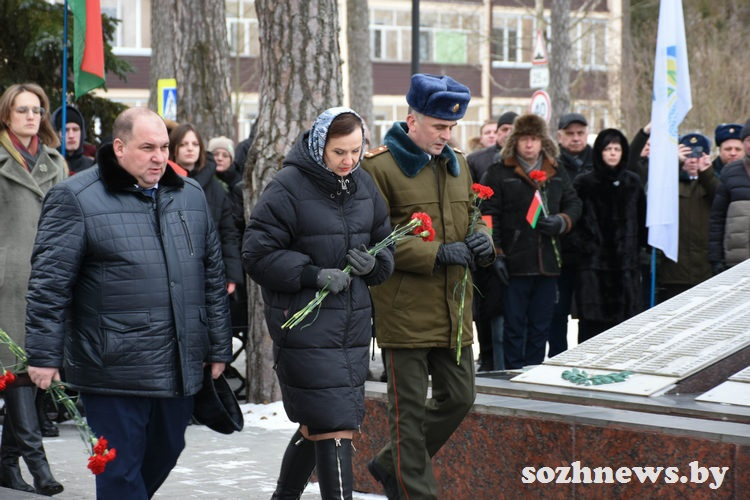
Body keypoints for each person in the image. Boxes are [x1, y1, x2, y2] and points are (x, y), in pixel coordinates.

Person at [24, 107, 233, 499]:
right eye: (147, 147)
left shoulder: (190, 195)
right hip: (112, 364)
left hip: (178, 361)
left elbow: (210, 276)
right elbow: (49, 284)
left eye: (164, 147)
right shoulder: (75, 197)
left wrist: (218, 346)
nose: (159, 157)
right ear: (119, 147)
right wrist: (43, 354)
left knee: (168, 449)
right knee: (120, 470)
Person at [242, 107, 394, 499]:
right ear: (318, 145)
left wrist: (375, 264)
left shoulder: (365, 185)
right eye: (339, 152)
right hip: (305, 327)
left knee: (317, 425)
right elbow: (256, 255)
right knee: (334, 425)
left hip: (352, 329)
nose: (349, 161)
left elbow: (386, 245)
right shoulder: (288, 186)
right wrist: (313, 274)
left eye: (356, 151)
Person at [362, 73, 494, 499]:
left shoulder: (459, 164)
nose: (446, 135)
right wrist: (434, 253)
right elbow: (372, 241)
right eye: (439, 126)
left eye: (451, 127)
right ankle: (415, 490)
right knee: (409, 415)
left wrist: (484, 242)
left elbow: (476, 217)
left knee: (460, 397)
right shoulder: (378, 168)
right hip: (404, 310)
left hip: (454, 308)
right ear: (411, 118)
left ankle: (390, 463)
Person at [0, 83, 66, 496]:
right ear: (6, 116)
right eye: (22, 110)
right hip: (6, 285)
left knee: (35, 372)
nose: (30, 117)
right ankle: (39, 465)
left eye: (37, 110)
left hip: (49, 281)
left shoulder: (56, 163)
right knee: (17, 372)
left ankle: (7, 463)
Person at [482, 113, 581, 369]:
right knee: (513, 326)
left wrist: (561, 221)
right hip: (514, 263)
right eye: (524, 139)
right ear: (514, 141)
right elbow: (488, 215)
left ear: (542, 142)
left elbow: (574, 203)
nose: (529, 145)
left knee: (541, 324)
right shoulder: (498, 172)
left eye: (534, 139)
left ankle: (533, 371)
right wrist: (497, 253)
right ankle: (513, 374)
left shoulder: (555, 171)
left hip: (548, 263)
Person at [569, 128, 646, 341]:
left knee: (625, 331)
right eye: (608, 149)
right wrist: (586, 248)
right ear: (599, 152)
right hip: (594, 270)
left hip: (626, 268)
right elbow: (575, 223)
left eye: (617, 148)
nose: (612, 153)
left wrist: (640, 250)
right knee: (592, 331)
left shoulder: (633, 183)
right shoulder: (584, 183)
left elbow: (642, 220)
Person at [466, 111, 517, 371]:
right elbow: (476, 206)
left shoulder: (524, 161)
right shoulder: (477, 161)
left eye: (513, 128)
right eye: (504, 128)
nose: (508, 133)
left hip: (516, 248)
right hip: (486, 247)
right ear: (496, 132)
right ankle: (487, 358)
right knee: (487, 308)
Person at [169, 124, 244, 296]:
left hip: (209, 269)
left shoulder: (215, 187)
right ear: (174, 148)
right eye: (184, 144)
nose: (190, 148)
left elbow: (228, 233)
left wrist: (231, 274)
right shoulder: (163, 182)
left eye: (195, 144)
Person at [548, 112, 593, 359]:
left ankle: (586, 358)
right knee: (558, 311)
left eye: (580, 133)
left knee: (589, 309)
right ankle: (557, 357)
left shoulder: (598, 161)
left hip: (590, 253)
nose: (576, 139)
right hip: (560, 250)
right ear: (559, 136)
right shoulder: (551, 165)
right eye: (570, 134)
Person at [657, 133, 717, 301]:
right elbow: (655, 197)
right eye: (688, 154)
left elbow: (720, 199)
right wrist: (674, 162)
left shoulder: (711, 182)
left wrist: (707, 172)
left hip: (705, 270)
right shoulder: (670, 183)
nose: (692, 159)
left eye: (698, 154)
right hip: (675, 272)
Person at [709, 121, 750, 275]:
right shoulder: (730, 172)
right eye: (748, 140)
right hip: (735, 260)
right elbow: (717, 218)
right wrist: (716, 258)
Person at [50, 105, 95, 174]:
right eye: (65, 130)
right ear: (56, 133)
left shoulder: (92, 167)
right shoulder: (48, 164)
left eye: (75, 129)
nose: (71, 136)